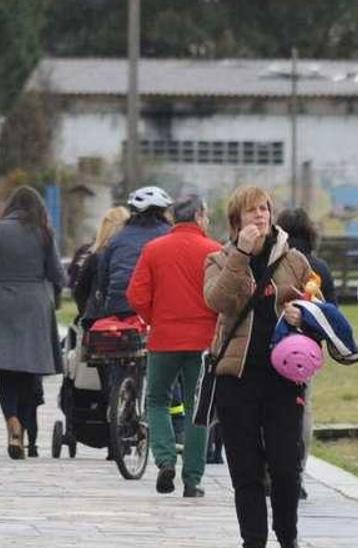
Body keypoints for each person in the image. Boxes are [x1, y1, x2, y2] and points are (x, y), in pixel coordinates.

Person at [203, 185, 312, 548]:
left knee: (285, 466)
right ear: (236, 220)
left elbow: (319, 305)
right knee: (246, 470)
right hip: (238, 377)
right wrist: (240, 254)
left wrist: (303, 314)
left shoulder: (294, 261)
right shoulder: (218, 260)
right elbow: (217, 300)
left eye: (265, 209)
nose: (261, 216)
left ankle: (288, 537)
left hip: (283, 378)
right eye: (252, 211)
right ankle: (254, 541)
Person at [125, 195, 221, 498]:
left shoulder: (153, 249)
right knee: (198, 408)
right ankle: (192, 479)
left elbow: (136, 294)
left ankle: (165, 459)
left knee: (156, 400)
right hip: (203, 341)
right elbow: (223, 296)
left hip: (164, 338)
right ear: (199, 216)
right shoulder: (215, 251)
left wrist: (157, 318)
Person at [0, 186, 67, 460]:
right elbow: (57, 273)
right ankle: (31, 434)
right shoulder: (44, 231)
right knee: (29, 372)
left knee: (6, 371)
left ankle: (12, 421)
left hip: (1, 304)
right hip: (34, 304)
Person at [274, 207, 335, 500]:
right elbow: (331, 314)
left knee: (271, 410)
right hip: (307, 352)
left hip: (275, 347)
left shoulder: (276, 262)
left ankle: (269, 471)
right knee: (302, 410)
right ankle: (296, 473)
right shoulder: (319, 267)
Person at [89, 187, 174, 324]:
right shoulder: (170, 236)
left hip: (118, 307)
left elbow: (103, 277)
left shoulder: (117, 239)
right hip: (158, 308)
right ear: (163, 211)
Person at [70, 207, 129, 323]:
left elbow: (80, 291)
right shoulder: (135, 255)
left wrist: (86, 311)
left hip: (97, 318)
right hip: (130, 318)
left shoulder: (95, 257)